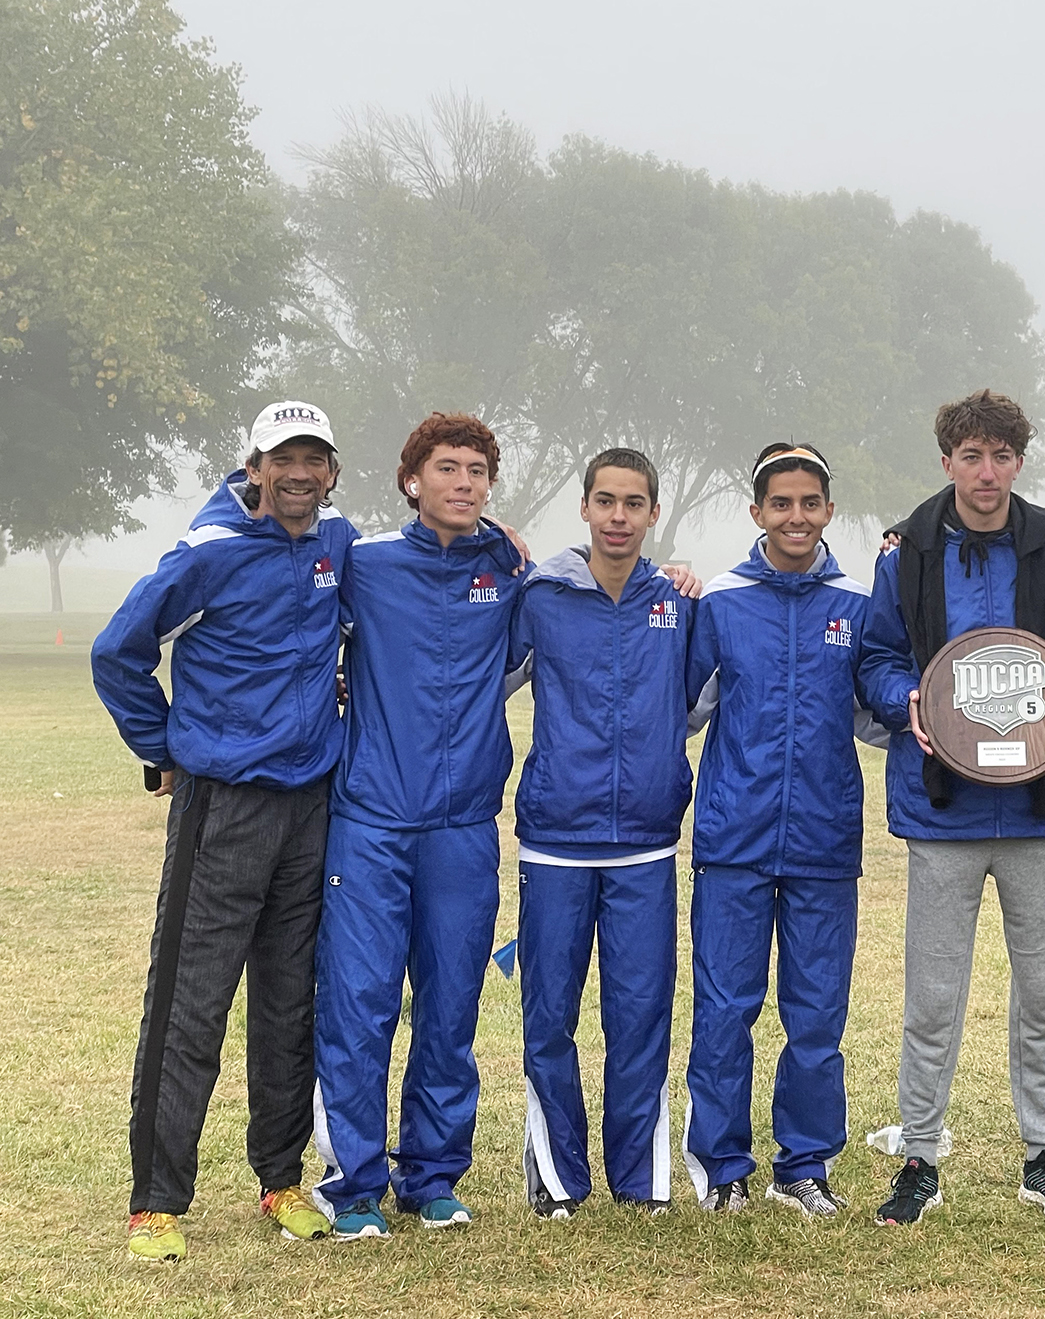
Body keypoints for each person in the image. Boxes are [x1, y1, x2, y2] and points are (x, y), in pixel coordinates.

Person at [93, 401, 355, 1260]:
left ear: (331, 473)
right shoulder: (208, 553)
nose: (298, 474)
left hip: (310, 806)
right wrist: (162, 746)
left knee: (289, 1002)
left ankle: (280, 1181)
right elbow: (117, 651)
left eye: (314, 460)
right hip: (224, 806)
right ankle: (158, 1202)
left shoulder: (335, 545)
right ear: (253, 465)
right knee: (189, 1006)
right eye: (283, 458)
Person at [860, 389, 1045, 1224]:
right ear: (946, 462)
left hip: (1038, 811)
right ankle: (918, 1158)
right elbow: (877, 659)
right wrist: (910, 705)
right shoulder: (907, 553)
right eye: (971, 455)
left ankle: (1044, 1155)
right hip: (942, 813)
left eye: (1001, 455)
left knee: (1042, 996)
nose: (986, 472)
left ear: (1018, 462)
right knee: (932, 1000)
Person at [310, 413, 530, 1241]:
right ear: (412, 480)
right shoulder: (363, 564)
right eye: (447, 468)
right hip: (370, 820)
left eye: (478, 470)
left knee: (450, 1008)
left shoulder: (507, 571)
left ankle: (432, 1177)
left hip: (464, 826)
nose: (464, 483)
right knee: (361, 1006)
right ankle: (353, 1184)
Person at [681, 443, 885, 1217]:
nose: (795, 517)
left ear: (828, 510)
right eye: (780, 503)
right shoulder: (721, 602)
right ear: (757, 512)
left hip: (825, 843)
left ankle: (803, 1167)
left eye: (809, 503)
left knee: (815, 1017)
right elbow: (685, 710)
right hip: (734, 839)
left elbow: (878, 713)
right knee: (725, 1008)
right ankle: (722, 1166)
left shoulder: (857, 604)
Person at [514, 448, 695, 1216]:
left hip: (647, 845)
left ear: (653, 514)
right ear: (584, 510)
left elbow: (703, 701)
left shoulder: (681, 603)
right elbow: (472, 671)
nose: (618, 516)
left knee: (640, 1017)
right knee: (548, 1016)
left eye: (633, 503)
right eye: (605, 501)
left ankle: (640, 1181)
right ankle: (557, 1181)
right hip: (554, 839)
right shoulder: (541, 597)